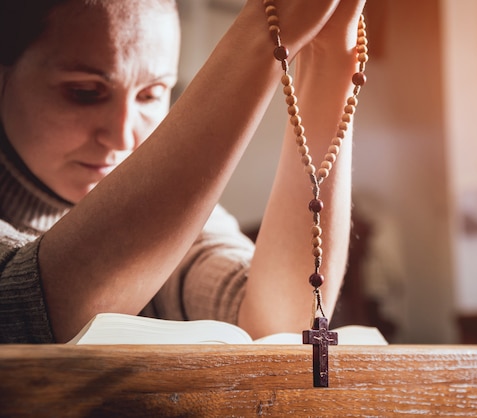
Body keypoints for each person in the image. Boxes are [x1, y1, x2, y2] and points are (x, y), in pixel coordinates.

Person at [0, 0, 365, 343]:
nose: (123, 135)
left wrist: (331, 56)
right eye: (83, 92)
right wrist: (265, 26)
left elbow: (278, 328)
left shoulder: (185, 219)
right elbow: (27, 314)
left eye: (151, 94)